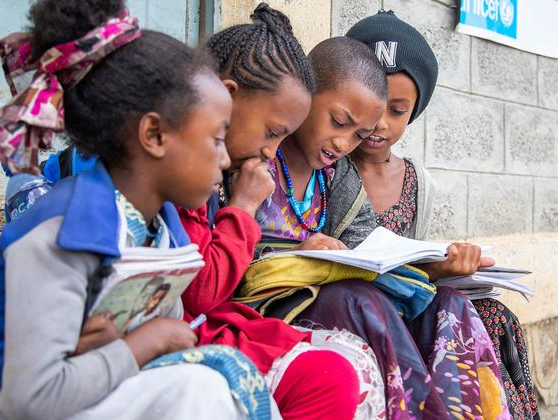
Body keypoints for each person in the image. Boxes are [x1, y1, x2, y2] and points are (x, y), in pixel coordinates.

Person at [0, 0, 257, 418]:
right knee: (195, 391)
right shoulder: (64, 234)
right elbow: (30, 398)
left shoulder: (165, 232)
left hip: (83, 397)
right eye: (216, 139)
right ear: (153, 134)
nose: (225, 161)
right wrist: (141, 345)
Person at [246, 35, 509, 419]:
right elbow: (226, 248)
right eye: (338, 121)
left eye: (357, 134)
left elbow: (368, 250)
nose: (342, 142)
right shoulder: (260, 158)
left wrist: (438, 266)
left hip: (334, 302)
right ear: (305, 93)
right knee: (357, 299)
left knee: (448, 304)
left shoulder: (336, 177)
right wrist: (298, 253)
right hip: (268, 310)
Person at [347, 10, 539, 419]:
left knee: (495, 316)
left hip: (411, 303)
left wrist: (448, 265)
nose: (380, 122)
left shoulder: (417, 181)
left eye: (397, 110)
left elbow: (415, 260)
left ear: (414, 111)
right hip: (357, 308)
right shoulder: (329, 168)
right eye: (371, 105)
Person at [177, 4, 362, 419]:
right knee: (330, 374)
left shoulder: (213, 168)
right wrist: (243, 208)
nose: (270, 152)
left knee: (338, 366)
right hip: (185, 323)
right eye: (273, 133)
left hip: (200, 317)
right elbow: (203, 290)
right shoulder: (184, 171)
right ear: (227, 95)